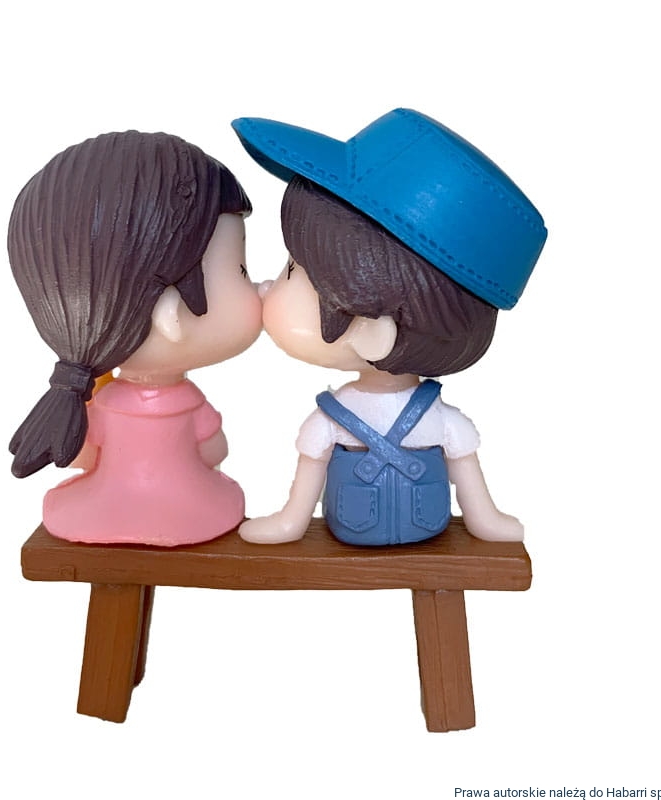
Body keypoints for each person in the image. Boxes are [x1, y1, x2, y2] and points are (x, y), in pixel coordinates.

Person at [231, 109, 547, 545]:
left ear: (371, 327)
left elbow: (467, 473)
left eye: (292, 271)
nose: (266, 286)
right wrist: (289, 523)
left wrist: (485, 520)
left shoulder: (420, 419)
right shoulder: (399, 416)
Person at [8, 131, 262, 545]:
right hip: (192, 508)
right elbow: (215, 450)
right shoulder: (183, 402)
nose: (260, 288)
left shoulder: (101, 400)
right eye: (241, 271)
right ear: (171, 316)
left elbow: (82, 456)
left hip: (98, 505)